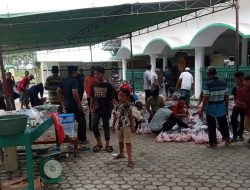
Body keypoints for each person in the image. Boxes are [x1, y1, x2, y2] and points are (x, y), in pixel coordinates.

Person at [198, 66, 231, 148]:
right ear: (216, 73)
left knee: (211, 126)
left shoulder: (208, 84)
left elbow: (205, 98)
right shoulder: (223, 82)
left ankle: (213, 143)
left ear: (208, 74)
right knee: (223, 124)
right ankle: (227, 140)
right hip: (221, 106)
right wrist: (226, 107)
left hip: (211, 107)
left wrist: (202, 110)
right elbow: (226, 96)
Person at [57, 66, 87, 143]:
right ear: (74, 72)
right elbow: (74, 92)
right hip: (74, 104)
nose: (77, 73)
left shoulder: (64, 79)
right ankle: (81, 139)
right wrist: (79, 104)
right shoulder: (74, 80)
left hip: (67, 104)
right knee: (82, 121)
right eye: (76, 71)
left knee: (70, 121)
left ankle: (68, 138)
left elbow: (58, 91)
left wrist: (63, 101)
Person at [90, 65, 115, 153]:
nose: (96, 75)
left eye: (98, 73)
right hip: (96, 109)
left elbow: (112, 99)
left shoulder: (109, 85)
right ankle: (99, 143)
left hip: (106, 109)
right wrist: (91, 108)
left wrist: (114, 109)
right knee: (93, 126)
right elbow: (92, 97)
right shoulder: (93, 85)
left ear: (103, 74)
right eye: (95, 73)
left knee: (106, 127)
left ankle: (107, 145)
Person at [112, 88, 135, 167]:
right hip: (119, 126)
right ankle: (121, 154)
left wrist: (132, 126)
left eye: (123, 96)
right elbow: (115, 116)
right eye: (119, 95)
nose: (120, 97)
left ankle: (130, 160)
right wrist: (113, 125)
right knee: (120, 141)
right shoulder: (116, 105)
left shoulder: (128, 105)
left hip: (126, 126)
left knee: (128, 142)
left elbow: (130, 116)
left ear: (127, 97)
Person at [230, 71, 246, 142]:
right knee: (233, 119)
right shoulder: (235, 87)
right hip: (237, 106)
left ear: (243, 77)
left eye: (240, 78)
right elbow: (234, 98)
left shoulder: (247, 86)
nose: (238, 80)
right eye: (236, 79)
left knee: (243, 121)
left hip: (245, 107)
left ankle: (240, 135)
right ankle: (235, 135)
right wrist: (240, 103)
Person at [234, 75, 250, 143]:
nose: (245, 82)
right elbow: (236, 98)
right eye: (245, 81)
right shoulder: (239, 88)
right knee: (247, 125)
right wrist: (240, 103)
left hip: (247, 109)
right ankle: (236, 136)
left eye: (246, 81)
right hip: (246, 110)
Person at [84, 66, 97, 130]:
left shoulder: (87, 78)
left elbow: (86, 88)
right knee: (94, 111)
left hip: (89, 97)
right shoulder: (95, 79)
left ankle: (91, 126)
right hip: (94, 98)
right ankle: (93, 126)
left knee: (91, 111)